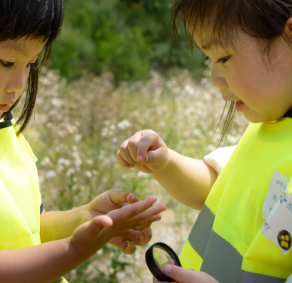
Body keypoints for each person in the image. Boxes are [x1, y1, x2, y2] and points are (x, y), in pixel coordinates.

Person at [0, 1, 167, 283]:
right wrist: (73, 249)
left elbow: (30, 229)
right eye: (7, 62)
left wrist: (85, 218)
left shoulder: (5, 127)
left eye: (31, 64)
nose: (19, 84)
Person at [116, 0, 292, 282]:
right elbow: (216, 187)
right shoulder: (268, 129)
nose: (214, 78)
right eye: (209, 60)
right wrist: (166, 163)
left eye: (223, 58)